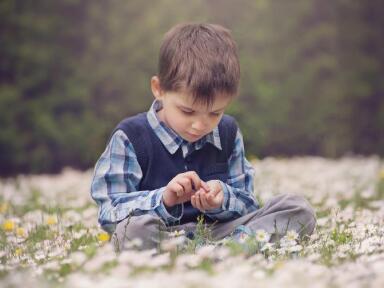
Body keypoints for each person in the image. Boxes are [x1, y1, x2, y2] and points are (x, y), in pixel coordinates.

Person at [90, 23, 316, 251]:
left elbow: (249, 204)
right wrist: (164, 199)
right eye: (187, 111)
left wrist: (222, 199)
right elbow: (110, 212)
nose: (200, 125)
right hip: (162, 236)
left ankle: (227, 252)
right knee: (130, 231)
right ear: (158, 89)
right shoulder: (131, 137)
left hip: (222, 233)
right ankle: (218, 254)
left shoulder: (227, 132)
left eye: (215, 113)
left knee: (297, 209)